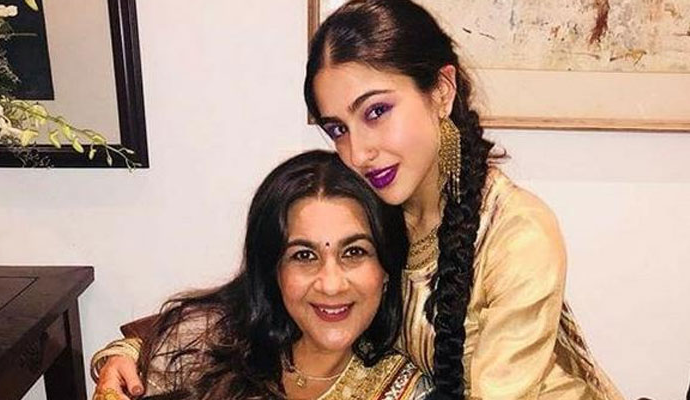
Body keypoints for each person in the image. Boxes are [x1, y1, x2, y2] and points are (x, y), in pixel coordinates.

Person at [95, 1, 625, 399]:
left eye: (376, 112)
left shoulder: (517, 234)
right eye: (338, 128)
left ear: (442, 90)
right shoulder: (378, 203)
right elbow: (255, 297)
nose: (359, 152)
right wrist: (132, 351)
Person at [91, 150, 425, 400]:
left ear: (386, 267)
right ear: (273, 269)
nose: (331, 284)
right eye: (304, 255)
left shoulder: (410, 390)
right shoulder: (206, 343)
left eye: (354, 252)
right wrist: (122, 356)